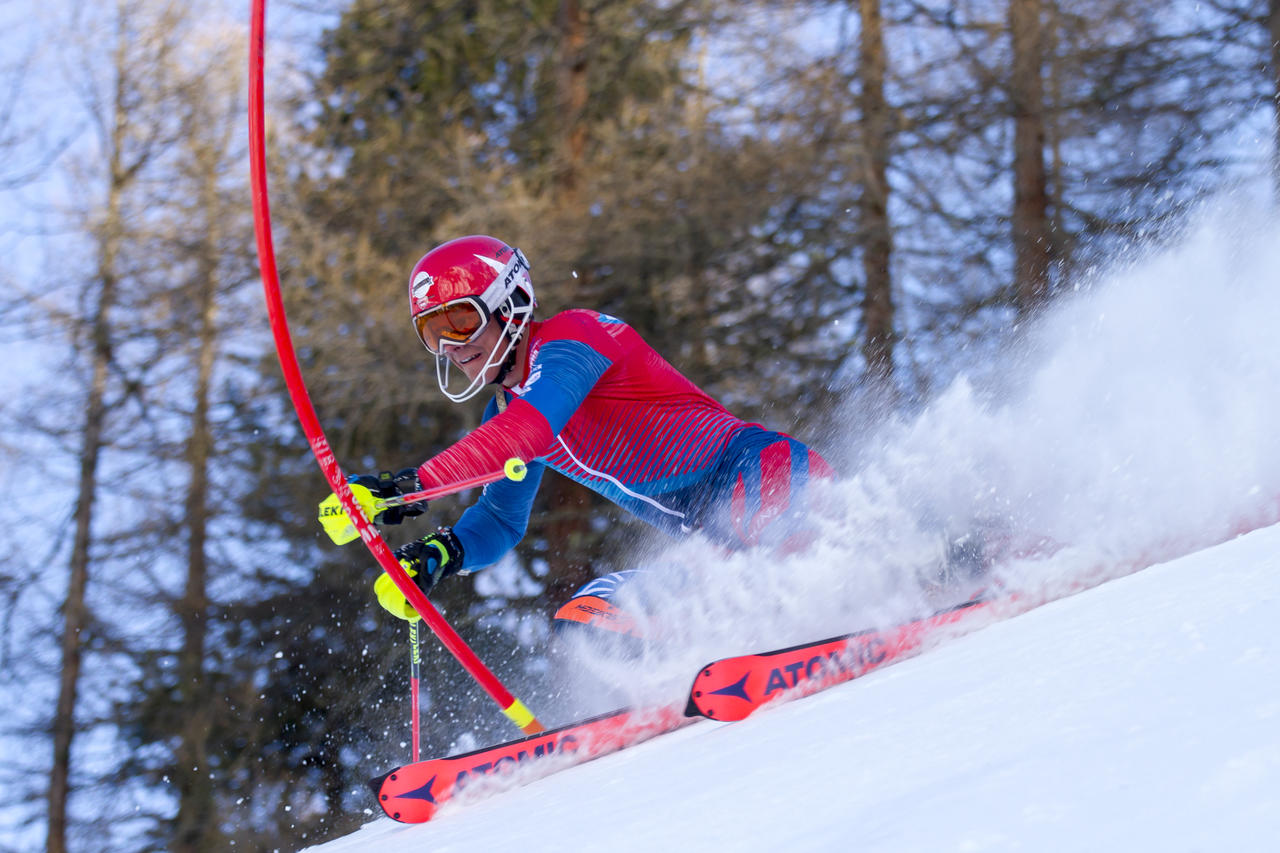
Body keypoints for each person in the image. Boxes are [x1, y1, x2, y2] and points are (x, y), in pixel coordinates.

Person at [322, 235, 833, 639]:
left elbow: (531, 428)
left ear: (511, 303)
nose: (452, 346)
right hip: (710, 541)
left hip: (764, 476)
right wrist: (437, 555)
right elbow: (500, 519)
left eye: (461, 320)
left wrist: (408, 486)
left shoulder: (575, 338)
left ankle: (873, 594)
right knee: (590, 617)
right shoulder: (502, 411)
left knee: (770, 551)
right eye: (434, 332)